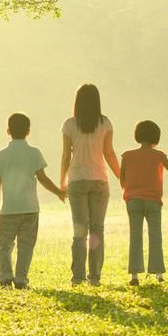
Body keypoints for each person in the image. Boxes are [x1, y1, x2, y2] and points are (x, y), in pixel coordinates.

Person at [0, 112, 66, 289]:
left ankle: (5, 276)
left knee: (5, 245)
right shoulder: (34, 153)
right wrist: (58, 192)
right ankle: (21, 278)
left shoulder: (2, 154)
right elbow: (43, 178)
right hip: (30, 209)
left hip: (9, 209)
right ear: (29, 131)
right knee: (26, 246)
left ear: (8, 130)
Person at [61, 84, 120, 286]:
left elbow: (65, 156)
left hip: (77, 181)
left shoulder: (69, 124)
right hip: (100, 181)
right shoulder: (105, 123)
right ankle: (94, 277)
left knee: (80, 231)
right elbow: (109, 153)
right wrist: (121, 177)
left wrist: (62, 180)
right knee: (97, 229)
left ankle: (77, 277)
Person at [120, 120, 168, 286]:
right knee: (155, 236)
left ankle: (134, 276)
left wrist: (131, 190)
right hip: (153, 201)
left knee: (135, 237)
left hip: (133, 200)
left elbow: (122, 179)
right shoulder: (159, 155)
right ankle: (158, 274)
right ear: (155, 137)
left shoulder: (127, 155)